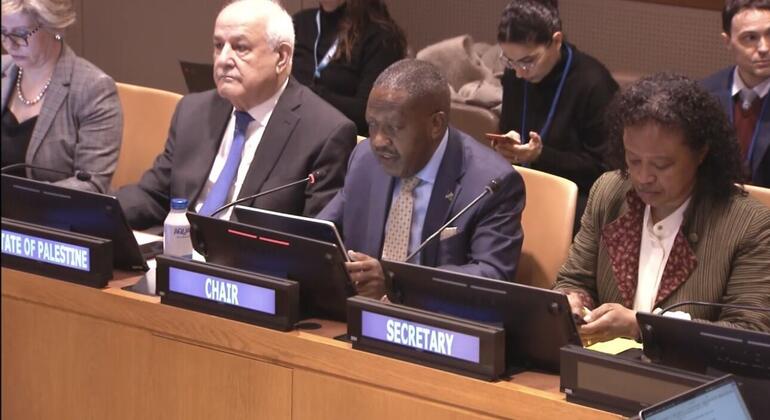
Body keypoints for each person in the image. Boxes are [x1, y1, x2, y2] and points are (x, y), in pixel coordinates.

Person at [553, 73, 770, 345]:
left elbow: (749, 333)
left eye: (661, 165)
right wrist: (571, 301)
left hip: (691, 378)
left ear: (701, 152)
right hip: (602, 368)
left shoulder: (749, 223)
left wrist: (641, 326)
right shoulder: (609, 192)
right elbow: (575, 279)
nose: (644, 177)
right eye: (634, 160)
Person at [117, 0, 357, 230]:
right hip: (178, 254)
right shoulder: (193, 111)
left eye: (240, 48)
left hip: (251, 266)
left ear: (281, 58)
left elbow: (310, 243)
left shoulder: (325, 133)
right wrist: (97, 210)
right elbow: (154, 195)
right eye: (218, 46)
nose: (223, 60)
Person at [318, 59, 525, 299]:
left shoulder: (491, 183)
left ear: (435, 124)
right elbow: (320, 232)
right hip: (359, 319)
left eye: (394, 128)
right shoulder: (366, 160)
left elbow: (493, 276)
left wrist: (397, 283)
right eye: (372, 125)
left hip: (438, 327)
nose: (378, 141)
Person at [488, 0, 618, 225]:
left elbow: (606, 171)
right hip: (523, 186)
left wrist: (540, 156)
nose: (519, 73)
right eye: (510, 61)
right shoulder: (515, 75)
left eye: (528, 61)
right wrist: (507, 147)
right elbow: (509, 127)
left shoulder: (593, 83)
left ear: (556, 41)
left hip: (579, 197)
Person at [1, 0, 122, 193]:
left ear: (52, 27)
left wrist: (17, 197)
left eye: (21, 33)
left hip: (46, 216)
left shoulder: (93, 89)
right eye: (3, 32)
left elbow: (92, 184)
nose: (10, 44)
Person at [291, 0, 406, 135]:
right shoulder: (300, 23)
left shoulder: (381, 37)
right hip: (293, 131)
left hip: (344, 140)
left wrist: (312, 96)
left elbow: (369, 112)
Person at [702, 0, 770, 187]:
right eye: (750, 38)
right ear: (728, 41)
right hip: (715, 207)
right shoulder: (704, 95)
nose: (764, 48)